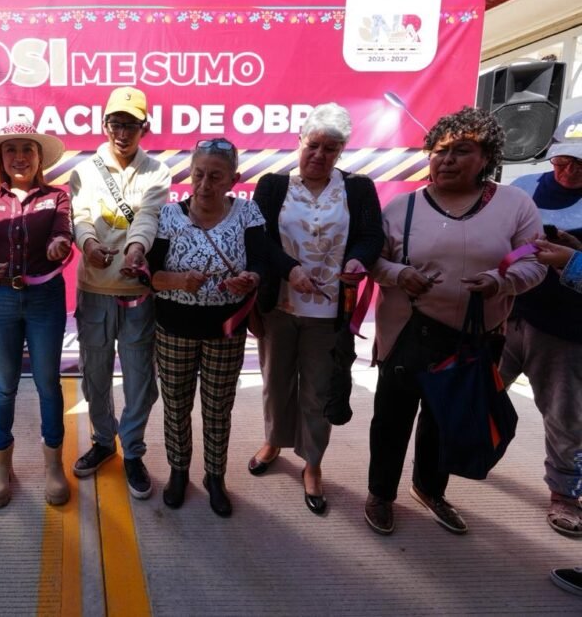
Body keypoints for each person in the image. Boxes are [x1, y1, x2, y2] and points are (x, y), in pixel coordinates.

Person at [365, 107, 545, 536]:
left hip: (477, 337)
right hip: (406, 332)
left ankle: (430, 489)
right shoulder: (403, 207)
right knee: (391, 418)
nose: (446, 160)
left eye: (461, 151)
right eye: (439, 151)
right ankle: (380, 493)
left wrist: (501, 281)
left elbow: (534, 259)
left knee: (447, 418)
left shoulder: (515, 205)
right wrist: (399, 274)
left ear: (486, 158)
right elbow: (375, 260)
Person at [249, 103, 384, 515]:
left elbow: (370, 236)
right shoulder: (273, 186)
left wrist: (358, 260)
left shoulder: (357, 188)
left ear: (341, 151)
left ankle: (312, 461)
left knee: (318, 389)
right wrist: (288, 269)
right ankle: (274, 441)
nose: (319, 155)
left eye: (330, 148)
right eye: (313, 145)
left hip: (329, 312)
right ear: (299, 143)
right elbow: (259, 239)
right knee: (276, 382)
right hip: (280, 305)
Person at [147, 138, 268, 517]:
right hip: (174, 328)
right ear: (189, 173)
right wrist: (178, 281)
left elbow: (262, 261)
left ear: (234, 179)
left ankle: (215, 476)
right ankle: (178, 471)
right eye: (198, 174)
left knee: (218, 408)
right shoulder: (168, 215)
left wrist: (251, 278)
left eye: (216, 177)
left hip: (225, 331)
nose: (204, 185)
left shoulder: (248, 213)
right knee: (176, 405)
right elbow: (149, 276)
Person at [69, 86, 171, 499]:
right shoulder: (85, 170)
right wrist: (88, 244)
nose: (122, 133)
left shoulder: (157, 172)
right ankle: (102, 440)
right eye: (116, 123)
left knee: (140, 379)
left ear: (145, 127)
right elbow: (80, 216)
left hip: (137, 291)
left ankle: (132, 450)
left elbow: (149, 216)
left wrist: (136, 249)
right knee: (95, 375)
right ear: (104, 124)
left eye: (131, 125)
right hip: (94, 290)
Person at [0, 120, 72, 508]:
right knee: (3, 385)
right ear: (1, 158)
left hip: (45, 300)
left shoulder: (57, 197)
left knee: (48, 384)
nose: (20, 157)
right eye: (11, 149)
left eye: (28, 149)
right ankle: (0, 466)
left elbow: (64, 232)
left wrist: (60, 244)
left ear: (40, 157)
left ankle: (54, 466)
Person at [499, 110, 582, 538]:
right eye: (562, 160)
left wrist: (572, 259)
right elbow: (500, 241)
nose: (569, 171)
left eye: (580, 164)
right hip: (507, 315)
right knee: (474, 392)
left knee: (565, 416)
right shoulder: (523, 187)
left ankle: (565, 493)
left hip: (566, 330)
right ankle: (464, 456)